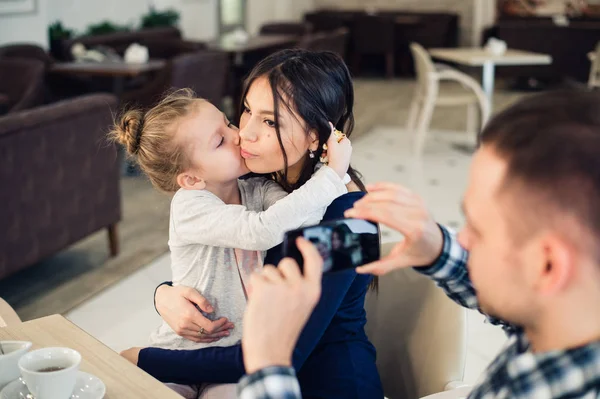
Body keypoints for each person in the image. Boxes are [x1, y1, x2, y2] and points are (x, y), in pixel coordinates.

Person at [239, 89, 600, 398]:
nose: (463, 238)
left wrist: (269, 364)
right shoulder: (572, 318)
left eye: (478, 229)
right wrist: (438, 249)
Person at [126, 49, 383, 398]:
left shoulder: (352, 219)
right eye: (246, 110)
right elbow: (225, 266)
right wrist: (165, 293)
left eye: (270, 122)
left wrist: (146, 359)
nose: (243, 133)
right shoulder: (267, 186)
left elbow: (278, 355)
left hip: (325, 385)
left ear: (315, 137)